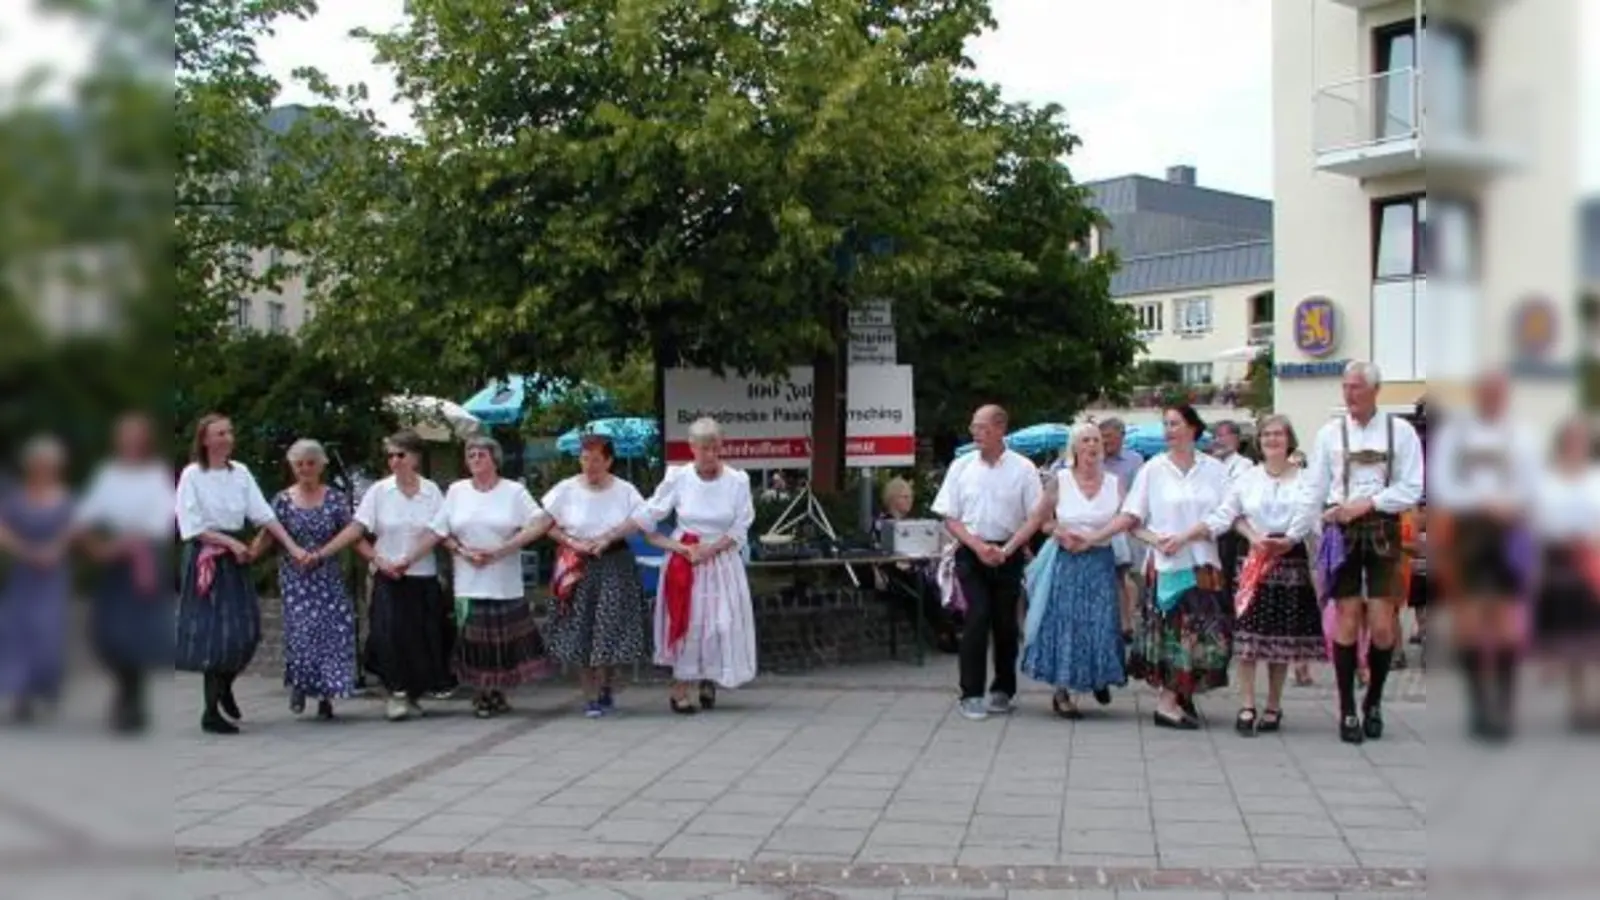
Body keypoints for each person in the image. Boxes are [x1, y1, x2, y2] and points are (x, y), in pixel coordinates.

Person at [1298, 362, 1424, 744]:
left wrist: (1368, 503)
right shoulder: (1329, 433)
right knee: (1347, 617)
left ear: (1375, 390)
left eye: (1355, 387)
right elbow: (1314, 486)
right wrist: (1308, 529)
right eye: (1345, 386)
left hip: (1383, 528)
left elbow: (1412, 487)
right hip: (1341, 529)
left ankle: (1374, 700)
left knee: (1384, 625)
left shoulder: (1399, 431)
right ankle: (1346, 708)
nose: (1348, 394)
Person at [1090, 405, 1232, 729]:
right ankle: (1166, 703)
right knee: (1176, 633)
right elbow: (1132, 518)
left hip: (1203, 562)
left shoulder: (1214, 470)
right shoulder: (1153, 468)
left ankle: (1183, 695)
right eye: (1166, 424)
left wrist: (1190, 534)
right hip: (1168, 565)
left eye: (1176, 423)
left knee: (1203, 634)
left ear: (1193, 428)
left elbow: (1227, 513)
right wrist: (1154, 540)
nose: (1169, 430)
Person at [399, 435, 552, 718]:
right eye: (471, 455)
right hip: (469, 576)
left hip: (503, 577)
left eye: (481, 454)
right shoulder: (457, 491)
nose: (476, 460)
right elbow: (440, 530)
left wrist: (504, 548)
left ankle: (497, 692)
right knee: (474, 638)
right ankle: (482, 693)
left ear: (495, 459)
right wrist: (459, 551)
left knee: (502, 640)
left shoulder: (513, 491)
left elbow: (540, 522)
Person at [175, 413, 310, 734]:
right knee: (215, 636)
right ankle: (210, 711)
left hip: (234, 557)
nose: (226, 438)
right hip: (206, 555)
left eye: (229, 432)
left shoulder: (241, 473)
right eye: (219, 433)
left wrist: (293, 548)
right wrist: (229, 543)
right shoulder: (192, 475)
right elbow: (192, 527)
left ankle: (225, 686)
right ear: (205, 440)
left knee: (247, 630)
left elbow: (265, 515)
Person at [1428, 371, 1537, 739]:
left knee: (1506, 619)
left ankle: (1504, 709)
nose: (1492, 398)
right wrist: (1484, 502)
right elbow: (1443, 484)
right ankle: (1478, 707)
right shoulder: (1456, 436)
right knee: (1470, 620)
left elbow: (1531, 483)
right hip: (1469, 530)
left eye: (1498, 392)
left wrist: (1510, 504)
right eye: (1486, 392)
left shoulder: (1521, 436)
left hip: (1509, 530)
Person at [318, 430, 452, 721]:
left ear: (415, 457)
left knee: (421, 635)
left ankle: (414, 691)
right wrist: (326, 552)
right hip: (387, 574)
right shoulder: (378, 492)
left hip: (420, 573)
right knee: (388, 633)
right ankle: (396, 692)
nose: (394, 461)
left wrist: (410, 558)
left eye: (400, 455)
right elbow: (358, 530)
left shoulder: (431, 492)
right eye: (390, 455)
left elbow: (438, 531)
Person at [1203, 415, 1322, 735]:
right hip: (1253, 557)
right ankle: (1246, 704)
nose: (1272, 439)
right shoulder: (1247, 477)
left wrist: (1288, 540)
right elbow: (1231, 514)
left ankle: (1273, 704)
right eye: (1266, 434)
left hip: (1288, 558)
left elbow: (1308, 513)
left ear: (1289, 439)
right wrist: (1254, 538)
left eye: (1278, 434)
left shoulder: (1306, 478)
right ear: (1258, 440)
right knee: (1248, 638)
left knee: (1279, 638)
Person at [636, 417, 758, 713]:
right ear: (692, 448)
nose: (711, 455)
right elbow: (648, 521)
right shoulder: (678, 478)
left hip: (722, 560)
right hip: (686, 561)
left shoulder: (737, 480)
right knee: (688, 622)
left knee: (720, 622)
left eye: (716, 448)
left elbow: (742, 525)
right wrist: (682, 548)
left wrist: (712, 549)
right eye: (704, 449)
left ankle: (709, 678)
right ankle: (680, 688)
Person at [932, 405, 1044, 721]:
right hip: (971, 549)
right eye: (973, 426)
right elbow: (950, 517)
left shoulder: (1023, 468)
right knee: (976, 618)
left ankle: (1003, 688)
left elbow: (1035, 516)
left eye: (980, 427)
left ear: (999, 429)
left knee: (1005, 623)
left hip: (1008, 551)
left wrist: (1008, 548)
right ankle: (970, 692)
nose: (974, 432)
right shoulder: (961, 466)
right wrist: (977, 546)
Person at [73, 413, 174, 733]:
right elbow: (85, 516)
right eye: (125, 436)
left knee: (140, 632)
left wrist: (132, 542)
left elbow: (162, 519)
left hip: (144, 557)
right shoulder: (108, 474)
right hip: (116, 561)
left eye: (136, 436)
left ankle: (133, 698)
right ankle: (123, 686)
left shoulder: (156, 475)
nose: (131, 442)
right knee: (108, 632)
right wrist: (98, 547)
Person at [540, 434, 652, 717]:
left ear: (609, 461)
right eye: (585, 459)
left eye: (597, 460)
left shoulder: (625, 490)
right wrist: (571, 541)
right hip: (577, 561)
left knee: (610, 624)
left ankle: (606, 686)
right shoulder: (565, 489)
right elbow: (543, 523)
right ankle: (589, 693)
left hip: (613, 560)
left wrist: (610, 536)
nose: (590, 466)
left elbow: (641, 519)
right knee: (581, 625)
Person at [1019, 423, 1125, 718]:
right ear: (1075, 448)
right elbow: (1042, 521)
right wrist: (1060, 532)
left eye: (1097, 441)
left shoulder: (1115, 482)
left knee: (1101, 621)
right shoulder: (1060, 480)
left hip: (1099, 559)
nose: (1092, 445)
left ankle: (1098, 676)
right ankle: (1062, 691)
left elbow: (1128, 518)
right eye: (1086, 440)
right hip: (1068, 560)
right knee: (1067, 624)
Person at [251, 439, 357, 720]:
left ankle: (326, 697)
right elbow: (268, 533)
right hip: (297, 578)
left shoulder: (334, 498)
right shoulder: (283, 500)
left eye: (310, 463)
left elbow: (351, 533)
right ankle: (300, 685)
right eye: (299, 464)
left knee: (332, 634)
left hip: (328, 576)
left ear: (321, 465)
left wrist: (377, 558)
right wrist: (248, 555)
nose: (305, 469)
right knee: (302, 633)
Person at [0, 436, 75, 723]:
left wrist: (54, 550)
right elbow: (2, 529)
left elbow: (72, 529)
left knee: (47, 632)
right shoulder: (16, 497)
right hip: (24, 573)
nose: (43, 469)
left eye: (49, 464)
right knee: (16, 631)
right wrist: (26, 551)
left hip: (52, 575)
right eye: (38, 464)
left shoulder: (64, 496)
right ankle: (20, 694)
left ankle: (44, 687)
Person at [1532, 417, 1600, 731]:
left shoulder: (1595, 478)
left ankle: (1591, 701)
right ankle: (1580, 704)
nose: (1576, 446)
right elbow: (1540, 521)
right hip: (1559, 558)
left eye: (1581, 441)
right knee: (1573, 639)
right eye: (1571, 440)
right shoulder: (1547, 481)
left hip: (1593, 558)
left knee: (1592, 637)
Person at [873, 476, 959, 654]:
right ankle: (944, 632)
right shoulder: (882, 523)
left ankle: (948, 630)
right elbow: (882, 551)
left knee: (936, 581)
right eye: (904, 497)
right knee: (920, 586)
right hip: (893, 571)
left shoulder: (913, 523)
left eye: (909, 496)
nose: (909, 500)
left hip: (914, 567)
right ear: (892, 499)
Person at [1099, 418, 1146, 644]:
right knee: (1114, 576)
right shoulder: (1094, 459)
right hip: (1100, 525)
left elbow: (1141, 493)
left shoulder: (1135, 460)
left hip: (1127, 525)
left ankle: (1129, 620)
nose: (1105, 441)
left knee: (1128, 575)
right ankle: (1120, 622)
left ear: (1121, 436)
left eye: (1109, 436)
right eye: (1103, 436)